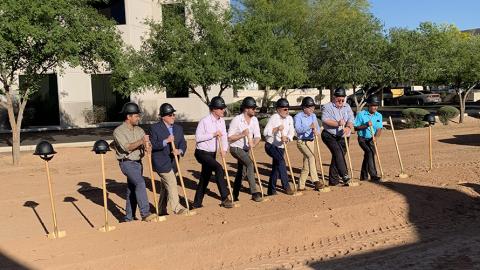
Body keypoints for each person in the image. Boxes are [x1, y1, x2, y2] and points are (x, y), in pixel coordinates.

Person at [113, 102, 158, 222]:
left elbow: (147, 145)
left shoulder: (140, 130)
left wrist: (148, 146)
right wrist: (141, 141)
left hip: (138, 163)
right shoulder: (119, 131)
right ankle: (145, 213)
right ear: (128, 117)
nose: (138, 118)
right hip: (127, 162)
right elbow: (127, 147)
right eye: (136, 116)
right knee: (140, 183)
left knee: (132, 189)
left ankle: (129, 217)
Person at [192, 96, 233, 209]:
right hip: (201, 152)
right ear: (214, 109)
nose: (223, 110)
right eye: (220, 108)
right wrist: (213, 134)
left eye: (223, 108)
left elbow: (224, 136)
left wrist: (224, 149)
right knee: (219, 168)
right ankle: (225, 198)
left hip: (212, 154)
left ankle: (196, 203)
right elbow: (198, 137)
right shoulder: (204, 121)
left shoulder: (222, 121)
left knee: (205, 176)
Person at [150, 103, 188, 215]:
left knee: (165, 187)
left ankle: (161, 209)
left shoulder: (178, 128)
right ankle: (177, 208)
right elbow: (153, 145)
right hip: (161, 162)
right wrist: (166, 141)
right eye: (170, 115)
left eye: (173, 114)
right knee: (171, 182)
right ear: (163, 117)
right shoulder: (155, 128)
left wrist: (179, 150)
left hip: (173, 162)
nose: (173, 117)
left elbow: (183, 143)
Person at [227, 97, 263, 203]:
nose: (254, 110)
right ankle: (254, 193)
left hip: (246, 149)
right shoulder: (237, 120)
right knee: (250, 164)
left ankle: (234, 195)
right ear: (246, 109)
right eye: (253, 108)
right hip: (235, 148)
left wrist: (254, 144)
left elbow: (258, 136)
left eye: (255, 108)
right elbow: (229, 137)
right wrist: (242, 134)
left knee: (242, 172)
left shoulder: (255, 120)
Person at [321, 88, 355, 186]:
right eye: (338, 100)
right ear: (334, 98)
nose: (340, 102)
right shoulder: (327, 107)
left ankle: (333, 180)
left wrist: (348, 127)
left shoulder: (347, 106)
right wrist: (338, 123)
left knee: (338, 156)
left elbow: (351, 118)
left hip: (343, 135)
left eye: (342, 100)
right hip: (329, 135)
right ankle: (345, 176)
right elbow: (325, 120)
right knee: (338, 153)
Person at [263, 98, 295, 196]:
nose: (287, 111)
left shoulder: (289, 118)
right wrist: (276, 129)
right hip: (271, 146)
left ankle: (271, 190)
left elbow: (291, 132)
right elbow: (265, 133)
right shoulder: (274, 117)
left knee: (276, 168)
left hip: (281, 147)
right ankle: (287, 187)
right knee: (281, 162)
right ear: (278, 109)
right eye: (284, 109)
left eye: (287, 109)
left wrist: (288, 138)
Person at [294, 96, 325, 191]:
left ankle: (301, 186)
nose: (312, 109)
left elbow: (317, 128)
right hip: (302, 141)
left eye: (313, 107)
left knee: (307, 164)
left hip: (311, 141)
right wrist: (309, 127)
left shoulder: (313, 116)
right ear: (304, 107)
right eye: (310, 107)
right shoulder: (298, 117)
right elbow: (298, 129)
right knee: (311, 157)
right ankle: (316, 181)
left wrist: (317, 132)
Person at [354, 96, 383, 181]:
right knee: (369, 153)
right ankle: (373, 175)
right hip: (362, 138)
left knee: (369, 155)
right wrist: (366, 125)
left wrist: (376, 138)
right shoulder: (361, 114)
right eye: (373, 105)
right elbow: (355, 128)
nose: (375, 107)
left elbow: (379, 128)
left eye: (376, 105)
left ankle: (363, 176)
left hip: (372, 139)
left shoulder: (379, 115)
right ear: (369, 105)